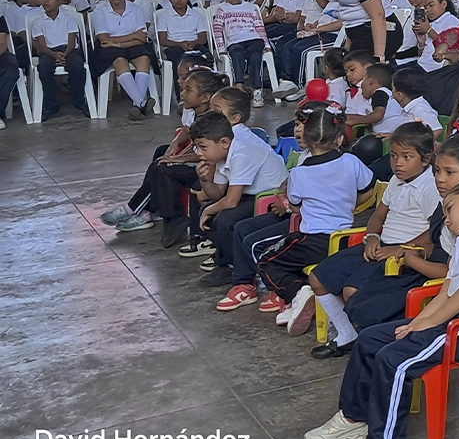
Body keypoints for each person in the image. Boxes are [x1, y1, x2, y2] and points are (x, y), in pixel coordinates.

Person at [303, 178, 459, 439]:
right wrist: (418, 321)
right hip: (455, 319)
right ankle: (354, 418)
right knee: (370, 338)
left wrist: (431, 323)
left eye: (450, 209)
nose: (446, 219)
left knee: (394, 360)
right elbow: (448, 289)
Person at [220, 107, 375, 330]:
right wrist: (349, 205)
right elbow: (368, 190)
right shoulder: (351, 161)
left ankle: (298, 293)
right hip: (344, 238)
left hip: (312, 240)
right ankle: (300, 296)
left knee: (265, 261)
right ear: (339, 139)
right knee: (282, 252)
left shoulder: (299, 174)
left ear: (307, 141)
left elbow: (294, 206)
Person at [308, 124, 445, 346]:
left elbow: (433, 232)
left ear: (426, 159)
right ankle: (346, 333)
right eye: (393, 156)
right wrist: (372, 236)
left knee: (353, 292)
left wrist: (402, 248)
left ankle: (365, 337)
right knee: (317, 278)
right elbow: (378, 215)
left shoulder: (430, 187)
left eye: (407, 157)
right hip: (380, 244)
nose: (398, 163)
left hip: (403, 252)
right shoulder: (396, 180)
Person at [100, 69, 225, 240]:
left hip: (209, 167)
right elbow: (191, 138)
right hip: (203, 160)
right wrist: (175, 148)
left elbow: (205, 153)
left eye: (188, 90)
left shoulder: (210, 119)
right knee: (161, 153)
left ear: (205, 98)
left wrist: (177, 159)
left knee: (163, 167)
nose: (182, 94)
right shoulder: (198, 114)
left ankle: (150, 212)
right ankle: (149, 209)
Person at [189, 92, 289, 287]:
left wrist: (209, 210)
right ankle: (225, 259)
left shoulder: (241, 154)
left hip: (270, 196)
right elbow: (217, 193)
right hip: (250, 195)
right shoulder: (221, 155)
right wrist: (205, 181)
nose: (199, 153)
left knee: (225, 218)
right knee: (208, 210)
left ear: (224, 143)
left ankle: (231, 266)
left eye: (203, 147)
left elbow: (231, 201)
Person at [92, 0, 155, 120]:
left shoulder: (136, 9)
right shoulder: (100, 11)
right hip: (109, 49)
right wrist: (132, 36)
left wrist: (117, 43)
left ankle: (137, 105)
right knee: (120, 60)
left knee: (144, 59)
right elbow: (104, 39)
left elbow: (141, 37)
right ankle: (141, 103)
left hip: (131, 45)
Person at [29, 0, 87, 120]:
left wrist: (64, 54)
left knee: (77, 66)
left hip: (69, 50)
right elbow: (41, 45)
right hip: (48, 52)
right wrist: (54, 55)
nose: (46, 1)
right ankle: (51, 104)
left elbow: (72, 41)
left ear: (60, 1)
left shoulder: (69, 18)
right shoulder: (38, 22)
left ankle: (79, 101)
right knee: (44, 69)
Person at [212, 0, 270, 107]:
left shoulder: (251, 7)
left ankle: (257, 90)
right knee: (236, 54)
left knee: (255, 55)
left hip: (253, 38)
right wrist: (221, 48)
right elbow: (217, 29)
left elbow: (259, 27)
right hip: (234, 41)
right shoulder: (222, 9)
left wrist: (267, 45)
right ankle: (239, 85)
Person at [157, 0, 211, 89]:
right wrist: (180, 44)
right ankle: (181, 93)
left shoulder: (196, 15)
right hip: (173, 46)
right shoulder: (164, 16)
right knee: (178, 63)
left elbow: (203, 37)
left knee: (206, 59)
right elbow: (163, 40)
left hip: (194, 44)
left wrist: (193, 43)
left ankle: (205, 90)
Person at [411, 0, 459, 73]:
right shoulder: (430, 24)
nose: (428, 10)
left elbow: (449, 46)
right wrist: (421, 43)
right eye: (425, 7)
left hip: (435, 68)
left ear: (444, 4)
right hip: (421, 64)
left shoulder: (451, 20)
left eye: (431, 5)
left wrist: (429, 30)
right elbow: (422, 54)